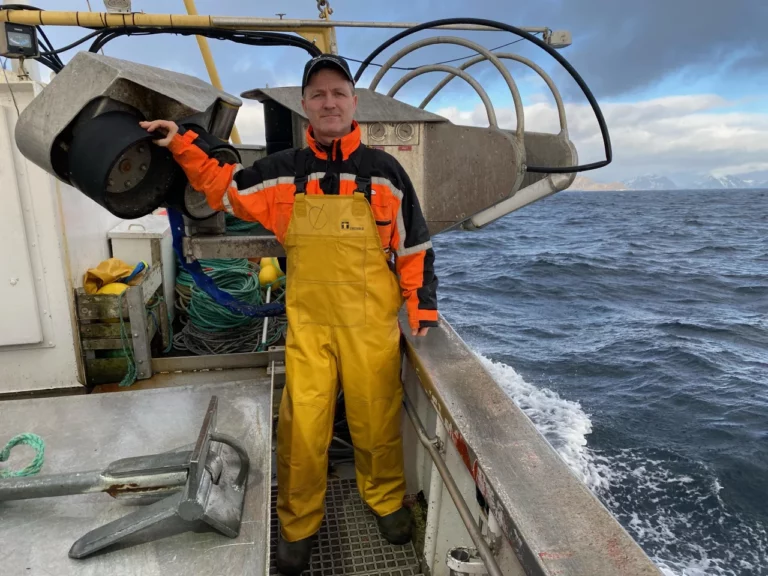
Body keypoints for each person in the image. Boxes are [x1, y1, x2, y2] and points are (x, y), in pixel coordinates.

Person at [140, 53, 438, 574]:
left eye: (338, 93)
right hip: (309, 327)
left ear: (353, 103)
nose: (329, 102)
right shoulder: (282, 173)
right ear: (305, 105)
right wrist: (182, 142)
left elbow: (413, 244)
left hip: (371, 327)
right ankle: (298, 525)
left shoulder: (385, 172)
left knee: (377, 420)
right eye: (318, 94)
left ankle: (386, 502)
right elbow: (223, 186)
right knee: (303, 430)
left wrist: (423, 307)